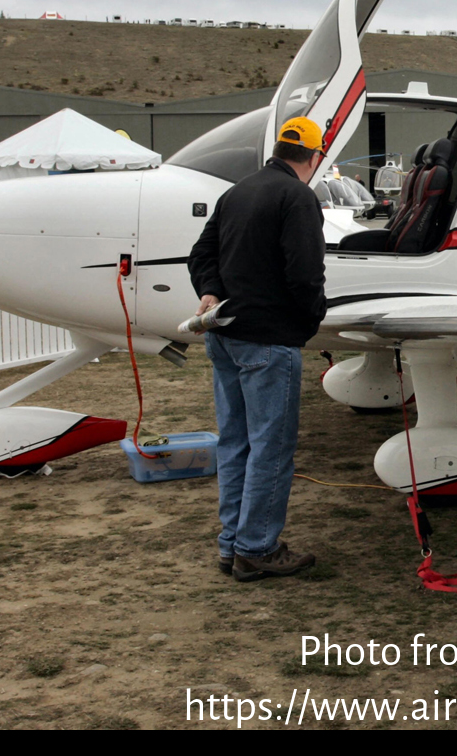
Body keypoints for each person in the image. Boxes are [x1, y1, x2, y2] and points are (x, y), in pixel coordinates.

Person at [188, 116, 329, 582]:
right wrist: (307, 325)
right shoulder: (298, 197)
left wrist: (209, 290)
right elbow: (305, 274)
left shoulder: (238, 191)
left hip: (224, 334)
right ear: (314, 156)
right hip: (269, 340)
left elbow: (201, 254)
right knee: (271, 447)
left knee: (235, 443)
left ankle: (232, 545)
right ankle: (257, 549)